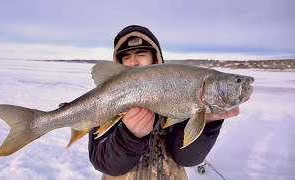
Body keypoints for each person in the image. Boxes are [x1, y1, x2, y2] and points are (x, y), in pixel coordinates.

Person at [88, 25, 240, 180]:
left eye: (141, 54)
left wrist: (206, 125)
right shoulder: (104, 102)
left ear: (155, 59)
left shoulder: (181, 97)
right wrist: (129, 137)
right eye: (126, 57)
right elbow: (103, 163)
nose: (133, 62)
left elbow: (188, 158)